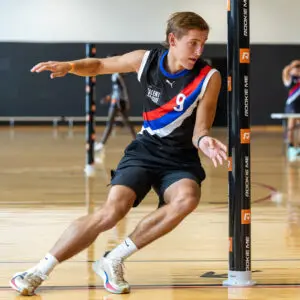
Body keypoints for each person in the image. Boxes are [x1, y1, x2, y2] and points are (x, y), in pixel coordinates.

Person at [10, 11, 227, 296]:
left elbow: (200, 128)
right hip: (145, 150)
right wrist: (70, 65)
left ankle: (112, 259)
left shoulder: (209, 77)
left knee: (187, 199)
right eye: (194, 43)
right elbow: (99, 64)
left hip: (180, 157)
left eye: (204, 44)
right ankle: (38, 270)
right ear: (172, 40)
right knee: (112, 211)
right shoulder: (145, 60)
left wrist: (206, 141)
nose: (199, 51)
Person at [94, 67, 136, 153]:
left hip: (118, 102)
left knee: (113, 122)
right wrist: (108, 97)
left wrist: (124, 101)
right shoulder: (115, 75)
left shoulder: (117, 75)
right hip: (116, 101)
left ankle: (102, 144)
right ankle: (138, 140)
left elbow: (123, 89)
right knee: (124, 122)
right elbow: (116, 90)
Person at [282, 59, 300, 161]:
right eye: (296, 69)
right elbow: (285, 71)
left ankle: (298, 147)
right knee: (291, 125)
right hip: (292, 105)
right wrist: (292, 65)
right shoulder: (290, 79)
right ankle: (291, 146)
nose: (297, 70)